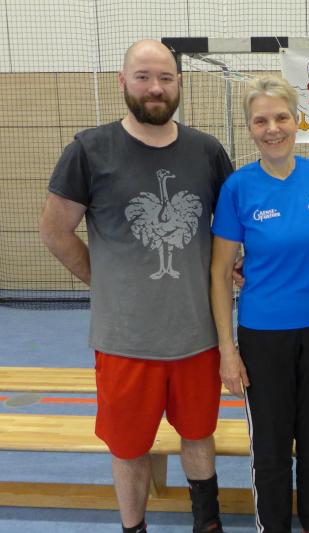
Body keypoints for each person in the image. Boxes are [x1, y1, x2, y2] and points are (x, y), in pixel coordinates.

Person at [39, 39, 232, 533]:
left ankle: (206, 523)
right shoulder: (89, 150)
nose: (155, 88)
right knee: (128, 447)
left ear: (179, 84)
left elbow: (230, 231)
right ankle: (134, 528)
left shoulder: (207, 151)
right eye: (143, 77)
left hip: (197, 335)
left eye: (165, 78)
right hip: (125, 342)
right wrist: (105, 283)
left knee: (198, 434)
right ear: (122, 81)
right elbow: (55, 231)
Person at [209, 75, 309, 533]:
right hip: (263, 336)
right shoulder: (238, 188)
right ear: (250, 128)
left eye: (281, 117)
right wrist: (227, 350)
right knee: (270, 446)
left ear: (297, 121)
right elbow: (219, 272)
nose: (273, 129)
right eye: (261, 120)